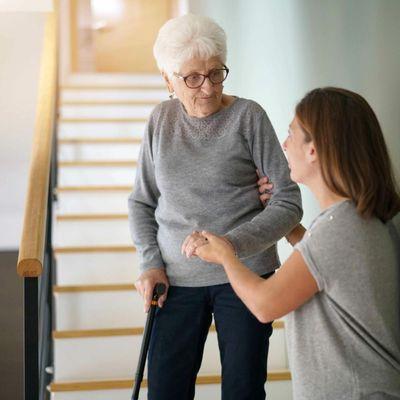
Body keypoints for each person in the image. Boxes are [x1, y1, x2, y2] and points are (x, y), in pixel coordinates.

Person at [128, 13, 302, 400]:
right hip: (175, 281)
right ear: (167, 79)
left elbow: (288, 201)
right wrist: (150, 263)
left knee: (243, 390)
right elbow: (142, 202)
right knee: (166, 391)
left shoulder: (248, 116)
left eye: (216, 73)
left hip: (245, 275)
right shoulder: (160, 121)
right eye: (192, 77)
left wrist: (229, 247)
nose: (207, 88)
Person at [191, 87, 400, 399]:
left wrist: (226, 254)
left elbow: (264, 305)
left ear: (313, 150)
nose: (285, 146)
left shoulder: (338, 230)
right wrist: (288, 225)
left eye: (290, 135)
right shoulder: (361, 220)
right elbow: (324, 269)